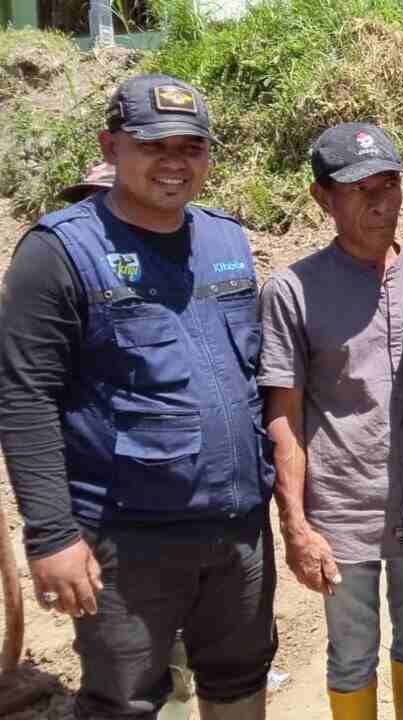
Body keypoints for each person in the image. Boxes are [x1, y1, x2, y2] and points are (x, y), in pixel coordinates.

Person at [0, 73, 276, 719]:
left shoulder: (227, 240)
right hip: (127, 541)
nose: (174, 163)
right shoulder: (58, 252)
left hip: (238, 529)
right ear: (111, 146)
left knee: (240, 682)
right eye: (154, 145)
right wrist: (50, 536)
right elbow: (24, 396)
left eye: (191, 146)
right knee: (125, 702)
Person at [258, 123, 403, 720]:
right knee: (351, 652)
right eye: (359, 188)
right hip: (342, 506)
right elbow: (282, 416)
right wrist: (295, 525)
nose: (379, 201)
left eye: (388, 184)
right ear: (322, 198)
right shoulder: (293, 290)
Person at [51, 160, 199, 720]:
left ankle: (180, 693)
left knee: (179, 641)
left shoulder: (177, 281)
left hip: (184, 507)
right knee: (122, 655)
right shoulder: (60, 276)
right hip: (106, 505)